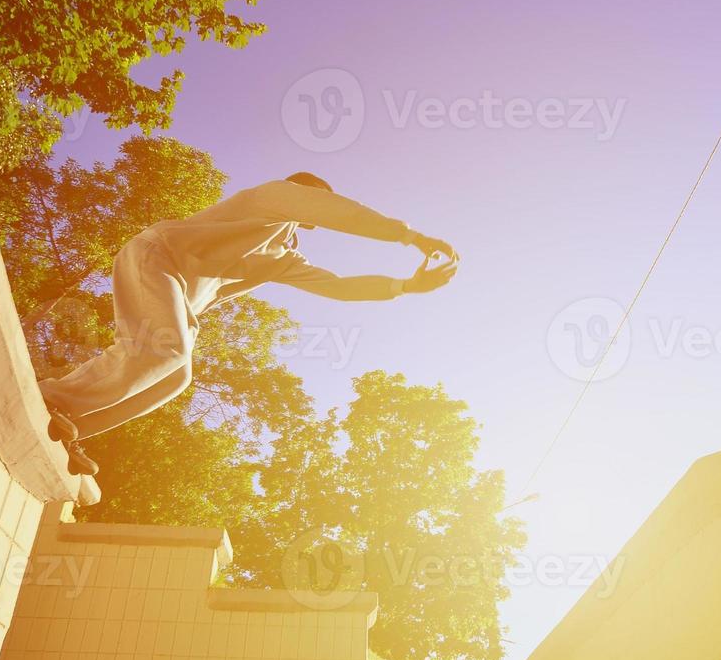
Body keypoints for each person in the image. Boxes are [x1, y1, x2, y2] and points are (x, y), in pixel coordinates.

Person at [38, 172, 459, 474]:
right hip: (157, 256)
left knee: (175, 376)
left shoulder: (282, 256)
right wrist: (410, 236)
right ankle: (55, 398)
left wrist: (404, 286)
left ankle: (76, 426)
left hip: (179, 293)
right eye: (313, 202)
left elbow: (338, 288)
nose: (316, 212)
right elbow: (338, 212)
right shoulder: (271, 195)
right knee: (164, 350)